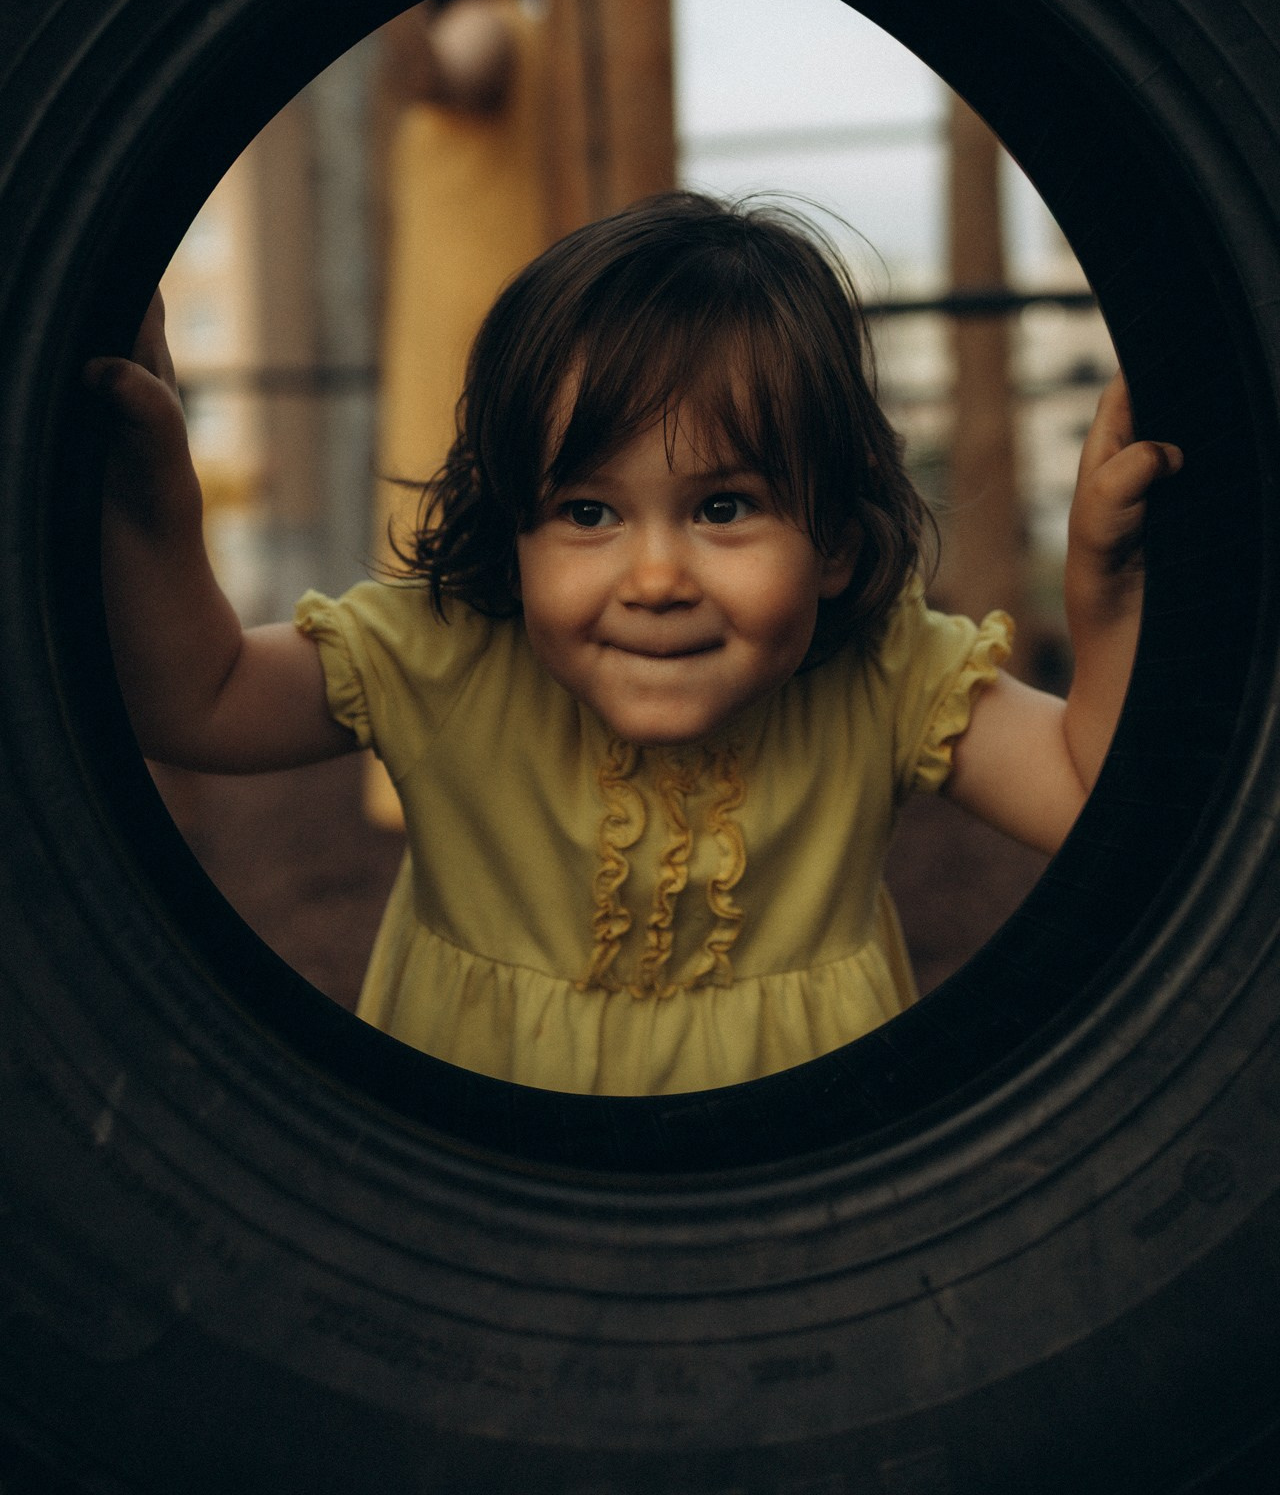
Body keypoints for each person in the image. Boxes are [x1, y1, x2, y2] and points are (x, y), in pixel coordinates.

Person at [87, 192, 1181, 1097]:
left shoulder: (883, 676)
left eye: (722, 508)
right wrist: (149, 496)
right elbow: (199, 700)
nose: (654, 580)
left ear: (836, 546)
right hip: (473, 1178)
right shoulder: (446, 654)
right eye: (587, 513)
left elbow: (1095, 796)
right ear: (513, 530)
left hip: (799, 1188)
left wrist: (1108, 596)